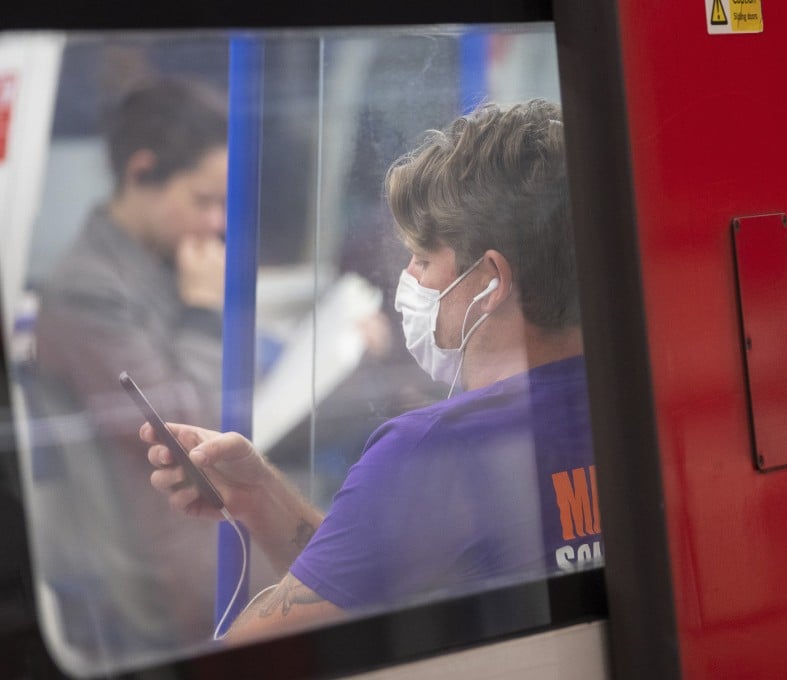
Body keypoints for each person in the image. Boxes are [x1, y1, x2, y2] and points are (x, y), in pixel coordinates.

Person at [143, 99, 602, 643]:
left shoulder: (430, 454)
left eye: (424, 261)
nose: (408, 278)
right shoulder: (632, 409)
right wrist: (260, 495)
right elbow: (372, 576)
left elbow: (245, 657)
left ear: (490, 283)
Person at [31, 76, 235, 655]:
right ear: (141, 172)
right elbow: (182, 425)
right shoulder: (87, 291)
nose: (216, 223)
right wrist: (202, 313)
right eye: (203, 200)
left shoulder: (165, 258)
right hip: (161, 564)